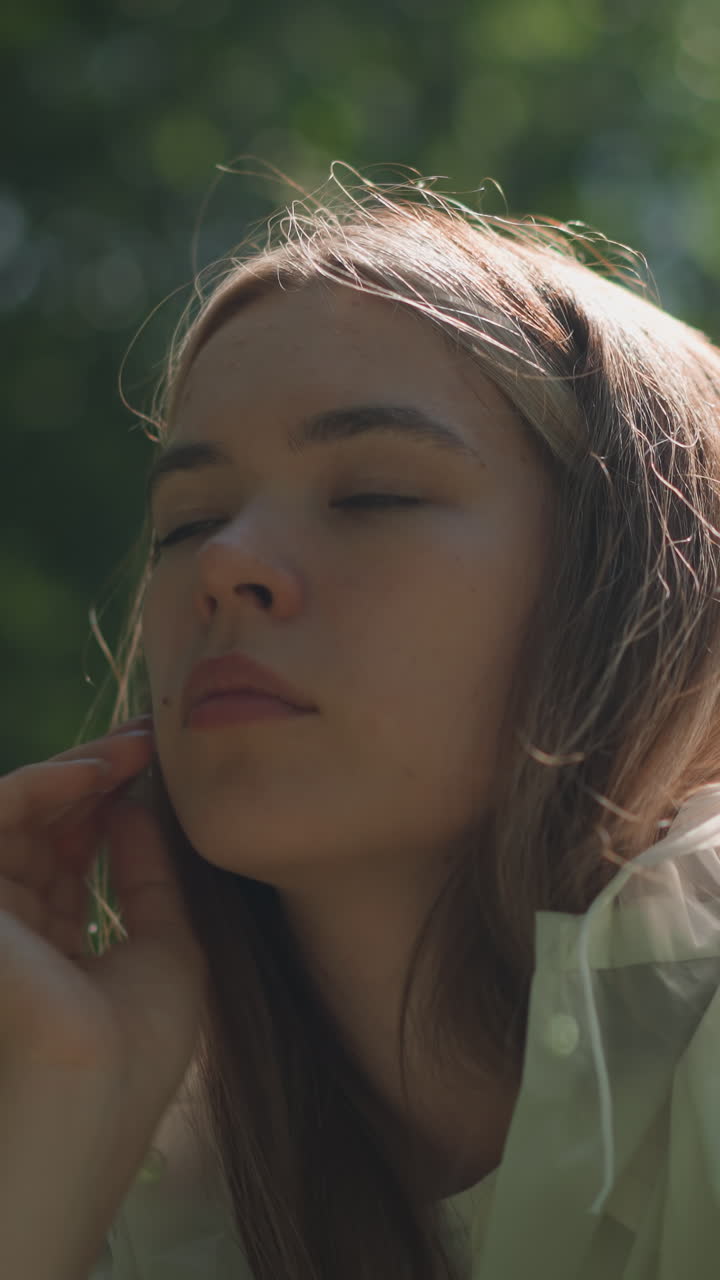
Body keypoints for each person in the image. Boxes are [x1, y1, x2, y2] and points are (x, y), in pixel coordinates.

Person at [4, 166, 720, 1279]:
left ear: (639, 594)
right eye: (187, 519)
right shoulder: (137, 1160)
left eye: (373, 494)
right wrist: (45, 1131)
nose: (228, 563)